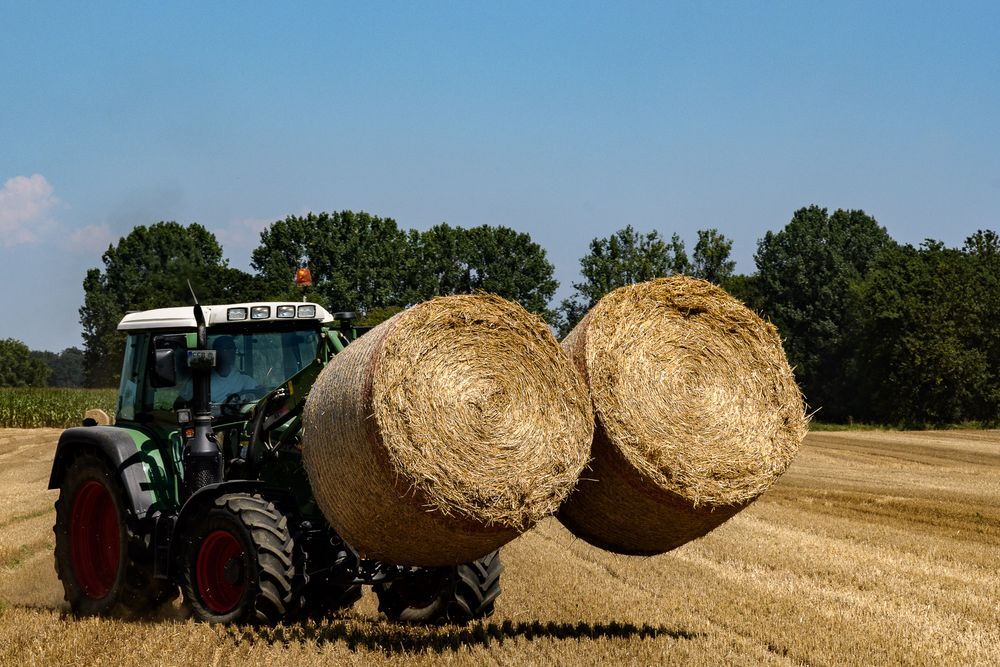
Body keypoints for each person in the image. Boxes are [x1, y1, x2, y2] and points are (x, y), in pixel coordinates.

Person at [178, 336, 258, 403]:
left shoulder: (242, 378)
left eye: (233, 348)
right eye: (227, 348)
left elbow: (259, 394)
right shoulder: (200, 379)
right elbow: (179, 404)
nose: (232, 352)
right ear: (216, 352)